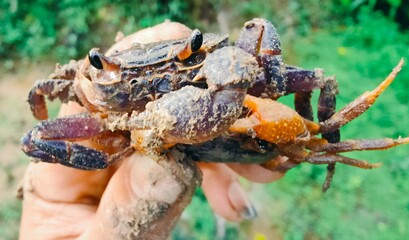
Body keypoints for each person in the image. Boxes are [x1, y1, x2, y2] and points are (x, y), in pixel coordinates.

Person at [19, 21, 285, 239]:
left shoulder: (215, 65)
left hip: (213, 101)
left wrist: (274, 87)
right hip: (113, 126)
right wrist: (101, 159)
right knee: (35, 138)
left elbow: (259, 30)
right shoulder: (94, 102)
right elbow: (35, 132)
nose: (157, 88)